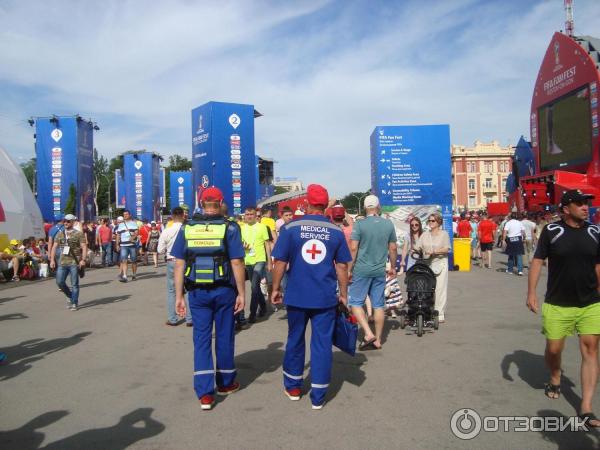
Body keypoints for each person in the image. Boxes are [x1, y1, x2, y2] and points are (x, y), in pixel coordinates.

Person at [271, 184, 351, 409]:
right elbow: (342, 266)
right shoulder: (335, 231)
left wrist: (275, 288)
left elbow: (280, 262)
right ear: (325, 206)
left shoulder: (291, 227)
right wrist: (343, 294)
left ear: (306, 203)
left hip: (297, 295)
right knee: (322, 344)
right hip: (325, 297)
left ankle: (294, 387)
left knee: (295, 339)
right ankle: (318, 395)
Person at [527, 189, 600, 427]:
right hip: (558, 303)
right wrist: (531, 292)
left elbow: (598, 264)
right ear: (566, 209)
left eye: (586, 203)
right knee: (554, 348)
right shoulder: (552, 231)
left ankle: (586, 407)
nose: (585, 207)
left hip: (590, 303)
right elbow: (538, 260)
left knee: (590, 350)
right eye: (579, 203)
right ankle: (555, 376)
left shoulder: (595, 231)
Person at [172, 187, 246, 410]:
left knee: (201, 340)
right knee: (224, 336)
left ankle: (205, 393)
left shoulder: (187, 228)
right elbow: (236, 263)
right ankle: (225, 383)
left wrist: (178, 296)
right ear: (221, 202)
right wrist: (242, 293)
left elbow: (178, 263)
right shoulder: (230, 228)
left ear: (201, 203)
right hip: (224, 291)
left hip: (197, 292)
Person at [348, 194, 397, 350]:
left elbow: (354, 248)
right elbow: (393, 248)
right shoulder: (388, 224)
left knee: (355, 302)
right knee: (378, 305)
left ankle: (368, 333)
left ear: (365, 208)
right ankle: (378, 340)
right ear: (378, 206)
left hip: (361, 269)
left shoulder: (360, 225)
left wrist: (349, 269)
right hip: (379, 270)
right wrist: (393, 267)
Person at [157, 207, 193, 327]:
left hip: (172, 261)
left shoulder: (167, 231)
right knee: (188, 289)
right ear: (184, 216)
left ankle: (173, 318)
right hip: (187, 261)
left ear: (172, 216)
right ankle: (190, 318)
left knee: (172, 290)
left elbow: (160, 250)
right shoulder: (188, 229)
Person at [414, 213, 450, 322]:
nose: (430, 222)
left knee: (439, 289)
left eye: (433, 221)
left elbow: (447, 249)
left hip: (440, 262)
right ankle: (428, 310)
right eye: (429, 221)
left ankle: (439, 313)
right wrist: (414, 251)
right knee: (427, 289)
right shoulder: (425, 234)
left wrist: (434, 252)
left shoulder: (444, 234)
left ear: (438, 222)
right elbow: (417, 247)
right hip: (427, 264)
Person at [50, 214, 87, 311]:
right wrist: (52, 260)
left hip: (74, 262)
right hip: (62, 262)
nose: (65, 223)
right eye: (64, 221)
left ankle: (74, 302)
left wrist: (83, 260)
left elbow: (84, 247)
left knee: (74, 283)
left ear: (72, 222)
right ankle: (70, 295)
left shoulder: (78, 234)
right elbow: (54, 247)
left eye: (68, 221)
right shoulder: (60, 233)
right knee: (59, 282)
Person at [241, 206, 272, 323]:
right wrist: (242, 246)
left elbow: (267, 244)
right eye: (247, 214)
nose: (249, 216)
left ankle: (252, 313)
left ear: (256, 215)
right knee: (255, 287)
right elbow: (240, 243)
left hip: (260, 260)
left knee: (254, 286)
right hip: (247, 260)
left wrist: (269, 262)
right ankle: (263, 306)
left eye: (251, 214)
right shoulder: (242, 228)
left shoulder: (262, 227)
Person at [116, 210, 139, 282]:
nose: (125, 216)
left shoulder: (133, 223)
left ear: (130, 215)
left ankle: (134, 275)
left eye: (126, 214)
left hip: (132, 245)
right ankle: (125, 276)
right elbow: (118, 235)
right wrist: (117, 244)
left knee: (134, 261)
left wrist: (133, 237)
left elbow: (136, 232)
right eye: (124, 215)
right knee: (124, 260)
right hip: (123, 245)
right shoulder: (120, 225)